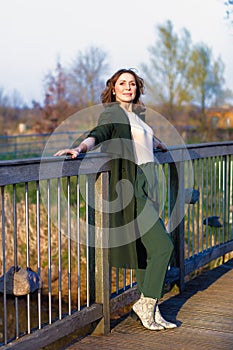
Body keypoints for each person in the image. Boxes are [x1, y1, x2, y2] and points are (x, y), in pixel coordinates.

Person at [54, 68, 177, 331]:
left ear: (137, 88)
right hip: (132, 185)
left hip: (149, 182)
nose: (128, 87)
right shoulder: (113, 113)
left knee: (147, 250)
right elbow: (100, 132)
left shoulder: (137, 115)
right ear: (113, 88)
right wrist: (79, 148)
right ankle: (145, 304)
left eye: (132, 83)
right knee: (163, 245)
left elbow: (141, 137)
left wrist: (158, 143)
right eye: (122, 83)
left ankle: (151, 312)